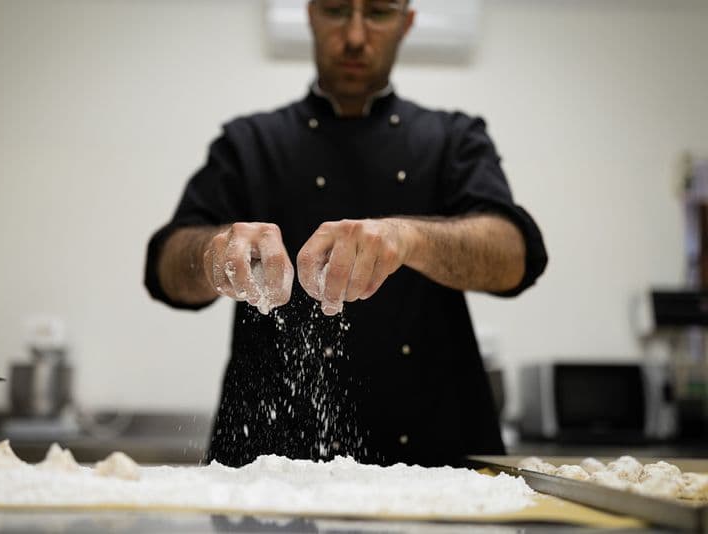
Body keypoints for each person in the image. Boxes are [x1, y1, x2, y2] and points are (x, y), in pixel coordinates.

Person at [145, 0, 547, 468]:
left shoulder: (453, 138)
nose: (355, 36)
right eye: (337, 10)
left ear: (407, 22)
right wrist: (212, 254)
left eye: (377, 13)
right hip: (268, 471)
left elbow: (514, 256)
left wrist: (409, 238)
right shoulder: (249, 143)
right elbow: (165, 266)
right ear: (311, 15)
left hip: (433, 461)